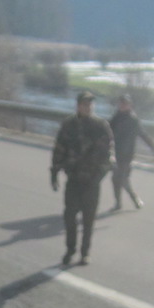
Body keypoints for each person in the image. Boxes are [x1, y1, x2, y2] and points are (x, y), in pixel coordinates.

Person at [50, 90, 113, 266]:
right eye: (85, 104)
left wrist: (99, 175)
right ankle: (70, 249)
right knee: (69, 217)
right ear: (78, 106)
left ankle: (85, 253)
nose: (88, 107)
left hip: (92, 181)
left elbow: (108, 155)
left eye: (91, 104)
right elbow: (59, 149)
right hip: (74, 179)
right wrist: (54, 172)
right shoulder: (69, 125)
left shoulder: (101, 126)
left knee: (88, 219)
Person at [108, 94, 154, 209]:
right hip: (116, 153)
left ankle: (133, 198)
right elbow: (106, 131)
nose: (122, 105)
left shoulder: (133, 120)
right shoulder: (116, 117)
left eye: (125, 103)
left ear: (129, 105)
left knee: (121, 178)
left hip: (127, 155)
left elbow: (144, 135)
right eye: (121, 103)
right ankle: (119, 203)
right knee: (116, 179)